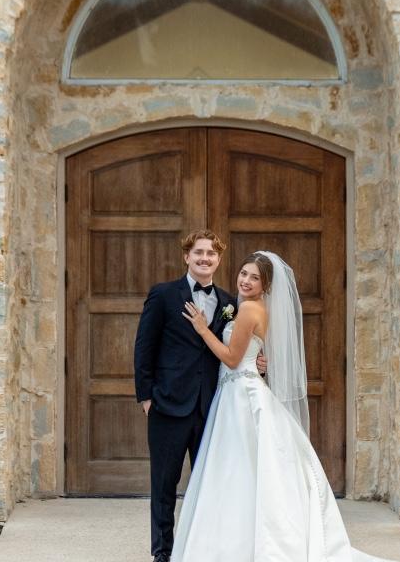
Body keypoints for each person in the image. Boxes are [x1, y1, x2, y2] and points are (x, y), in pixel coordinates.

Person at [173, 251, 396, 562]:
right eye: (244, 273)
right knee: (247, 469)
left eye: (254, 278)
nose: (246, 281)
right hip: (241, 388)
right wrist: (257, 362)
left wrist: (202, 328)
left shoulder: (249, 309)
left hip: (241, 395)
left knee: (237, 468)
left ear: (265, 285)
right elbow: (250, 354)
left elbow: (232, 359)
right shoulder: (254, 308)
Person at [134, 230, 266, 562]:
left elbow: (236, 350)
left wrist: (259, 365)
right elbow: (144, 348)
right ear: (187, 257)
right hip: (168, 404)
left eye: (211, 254)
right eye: (199, 253)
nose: (205, 258)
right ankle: (162, 552)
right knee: (164, 485)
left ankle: (202, 549)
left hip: (213, 409)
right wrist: (146, 397)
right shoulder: (163, 295)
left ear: (218, 260)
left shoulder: (231, 302)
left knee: (211, 485)